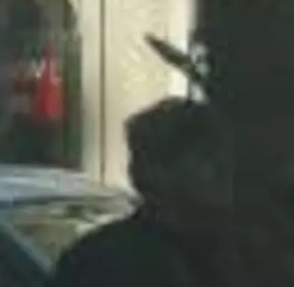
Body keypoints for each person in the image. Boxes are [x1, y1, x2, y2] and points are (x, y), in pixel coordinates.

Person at [49, 98, 252, 287]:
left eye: (224, 155)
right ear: (155, 172)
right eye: (205, 157)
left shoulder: (249, 255)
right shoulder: (98, 261)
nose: (224, 169)